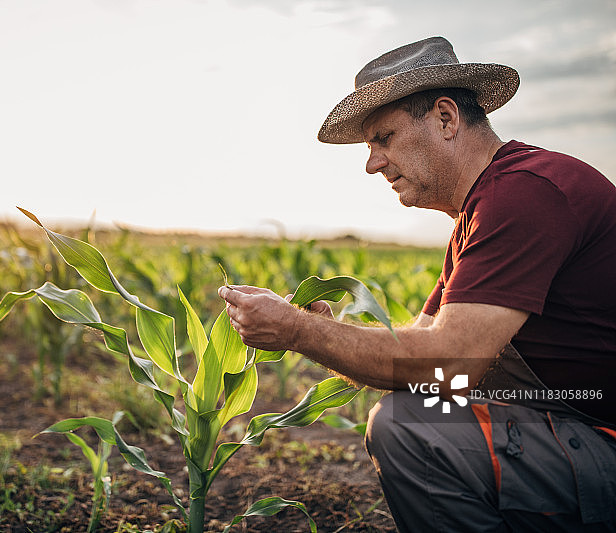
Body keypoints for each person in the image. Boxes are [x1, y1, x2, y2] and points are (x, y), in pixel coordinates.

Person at [218, 36, 616, 532]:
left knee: (409, 427)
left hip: (603, 441)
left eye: (383, 138)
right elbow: (419, 352)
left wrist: (299, 332)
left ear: (446, 119)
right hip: (576, 431)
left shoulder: (526, 193)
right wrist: (327, 328)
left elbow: (448, 361)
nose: (372, 163)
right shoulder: (484, 210)